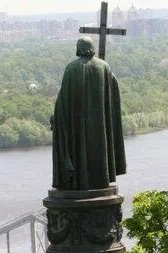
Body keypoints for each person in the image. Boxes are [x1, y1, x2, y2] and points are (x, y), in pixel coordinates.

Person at [51, 36, 126, 190]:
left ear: (79, 48)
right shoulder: (104, 67)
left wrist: (56, 117)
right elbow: (113, 92)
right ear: (92, 48)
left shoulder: (71, 68)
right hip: (100, 125)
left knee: (78, 148)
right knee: (99, 148)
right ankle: (101, 179)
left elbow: (63, 99)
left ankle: (79, 180)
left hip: (77, 125)